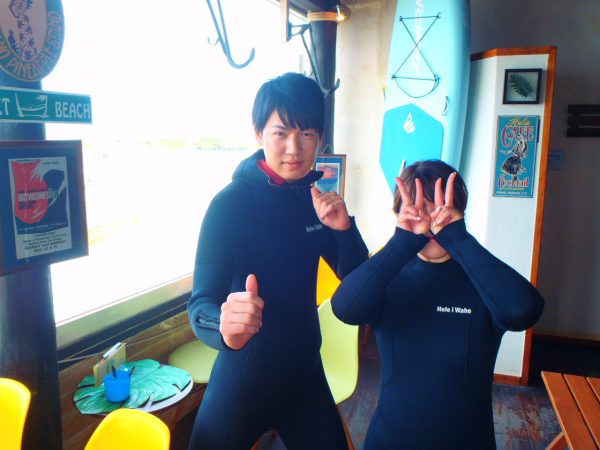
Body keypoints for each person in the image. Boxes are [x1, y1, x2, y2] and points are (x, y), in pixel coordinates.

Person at [187, 72, 369, 450]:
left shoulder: (315, 200)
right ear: (258, 133)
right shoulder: (230, 204)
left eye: (306, 134)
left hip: (305, 373)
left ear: (320, 138)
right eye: (281, 133)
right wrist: (223, 325)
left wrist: (344, 230)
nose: (293, 149)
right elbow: (200, 304)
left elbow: (359, 286)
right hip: (245, 376)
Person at [331, 160, 544, 450]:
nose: (430, 220)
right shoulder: (388, 276)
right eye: (418, 207)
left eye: (441, 207)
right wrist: (402, 242)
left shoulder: (482, 280)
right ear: (399, 214)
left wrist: (458, 239)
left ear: (460, 212)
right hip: (390, 440)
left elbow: (523, 311)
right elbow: (345, 308)